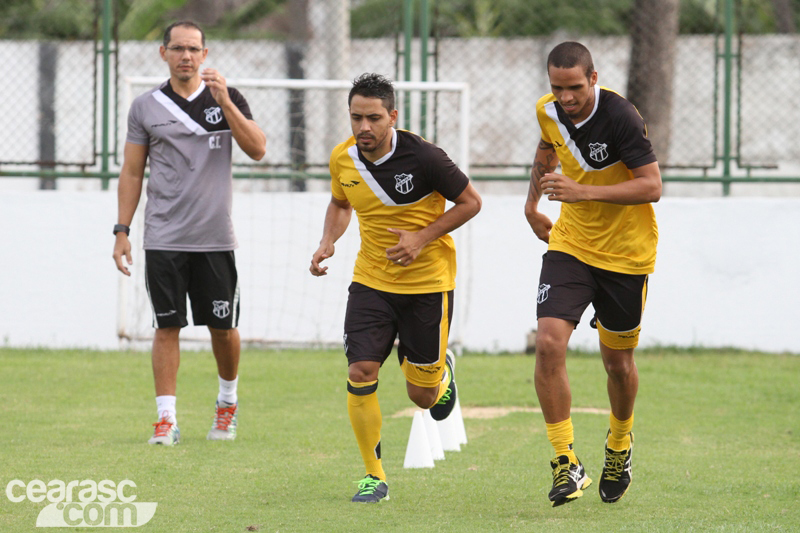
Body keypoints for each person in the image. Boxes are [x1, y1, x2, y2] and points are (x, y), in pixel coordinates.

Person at [310, 73, 482, 503]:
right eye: (356, 117)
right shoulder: (343, 159)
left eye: (373, 118)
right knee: (360, 372)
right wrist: (328, 240)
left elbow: (471, 202)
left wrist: (421, 237)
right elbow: (340, 202)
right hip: (372, 282)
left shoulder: (425, 157)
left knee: (422, 397)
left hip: (428, 284)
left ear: (393, 117)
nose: (363, 127)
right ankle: (374, 476)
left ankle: (441, 376)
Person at [112, 21, 266, 446]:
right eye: (178, 48)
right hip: (162, 236)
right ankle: (166, 420)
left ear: (205, 53)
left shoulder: (227, 98)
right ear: (163, 53)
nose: (186, 56)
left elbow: (258, 148)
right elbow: (131, 171)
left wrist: (227, 105)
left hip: (215, 238)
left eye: (193, 49)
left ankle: (227, 403)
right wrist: (122, 230)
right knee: (167, 326)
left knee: (223, 327)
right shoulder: (145, 107)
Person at [524, 42, 661, 507]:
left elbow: (652, 186)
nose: (565, 98)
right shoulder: (548, 111)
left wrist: (582, 191)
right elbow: (546, 151)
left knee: (617, 364)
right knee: (547, 341)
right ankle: (566, 461)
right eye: (556, 88)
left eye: (575, 88)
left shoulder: (621, 116)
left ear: (594, 77)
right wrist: (531, 205)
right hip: (571, 245)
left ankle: (619, 445)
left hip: (626, 255)